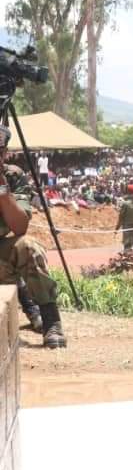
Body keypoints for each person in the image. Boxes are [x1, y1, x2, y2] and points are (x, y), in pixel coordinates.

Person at [0, 128, 66, 348]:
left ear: (5, 153)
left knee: (29, 246)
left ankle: (51, 322)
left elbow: (19, 226)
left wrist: (1, 188)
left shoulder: (13, 176)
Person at [115, 183, 133, 265]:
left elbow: (121, 217)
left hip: (128, 228)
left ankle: (128, 264)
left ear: (127, 191)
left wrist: (117, 228)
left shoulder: (125, 204)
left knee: (127, 246)